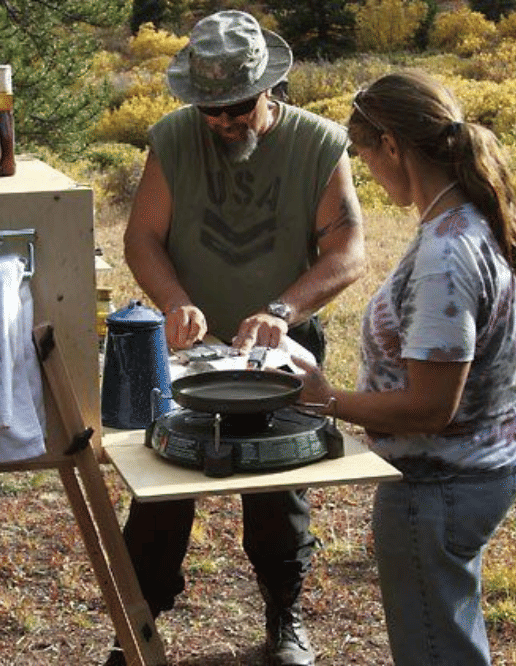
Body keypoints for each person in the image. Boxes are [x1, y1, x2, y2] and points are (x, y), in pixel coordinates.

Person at [106, 10, 366, 666]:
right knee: (161, 487)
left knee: (280, 488)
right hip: (190, 348)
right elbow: (143, 236)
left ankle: (287, 619)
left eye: (237, 108)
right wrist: (175, 301)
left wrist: (283, 308)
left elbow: (347, 250)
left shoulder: (319, 143)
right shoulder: (171, 139)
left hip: (281, 349)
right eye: (209, 110)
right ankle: (135, 633)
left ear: (268, 90)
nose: (222, 122)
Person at [291, 69, 516, 665]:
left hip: (438, 487)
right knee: (452, 636)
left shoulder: (444, 255)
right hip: (492, 464)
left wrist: (324, 398)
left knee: (436, 652)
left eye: (364, 154)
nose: (369, 174)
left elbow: (430, 407)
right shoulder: (499, 214)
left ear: (392, 147)